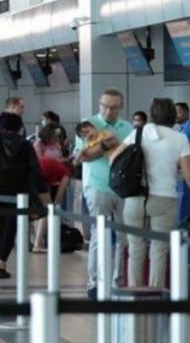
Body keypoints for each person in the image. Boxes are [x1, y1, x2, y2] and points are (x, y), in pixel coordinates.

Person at [112, 98, 190, 289]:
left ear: (152, 114)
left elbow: (114, 157)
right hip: (164, 199)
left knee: (135, 249)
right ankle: (155, 295)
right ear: (172, 115)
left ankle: (135, 294)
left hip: (135, 197)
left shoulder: (137, 133)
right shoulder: (179, 138)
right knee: (159, 250)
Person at [74, 88, 133, 299]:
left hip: (123, 188)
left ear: (120, 108)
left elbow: (130, 155)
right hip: (98, 187)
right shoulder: (87, 125)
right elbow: (83, 157)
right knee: (100, 236)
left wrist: (109, 146)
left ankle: (119, 280)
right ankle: (95, 283)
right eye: (105, 107)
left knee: (125, 237)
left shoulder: (127, 127)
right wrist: (106, 144)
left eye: (114, 108)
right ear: (99, 105)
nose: (109, 112)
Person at [0, 112, 43, 279]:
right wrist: (40, 192)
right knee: (11, 226)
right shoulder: (26, 145)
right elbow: (35, 170)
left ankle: (0, 261)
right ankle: (1, 262)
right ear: (19, 126)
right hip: (19, 191)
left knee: (0, 225)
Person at [33, 155, 72, 251]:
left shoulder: (55, 164)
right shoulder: (66, 173)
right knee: (48, 210)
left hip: (29, 174)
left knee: (38, 210)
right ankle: (38, 244)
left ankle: (38, 241)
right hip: (38, 176)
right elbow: (58, 198)